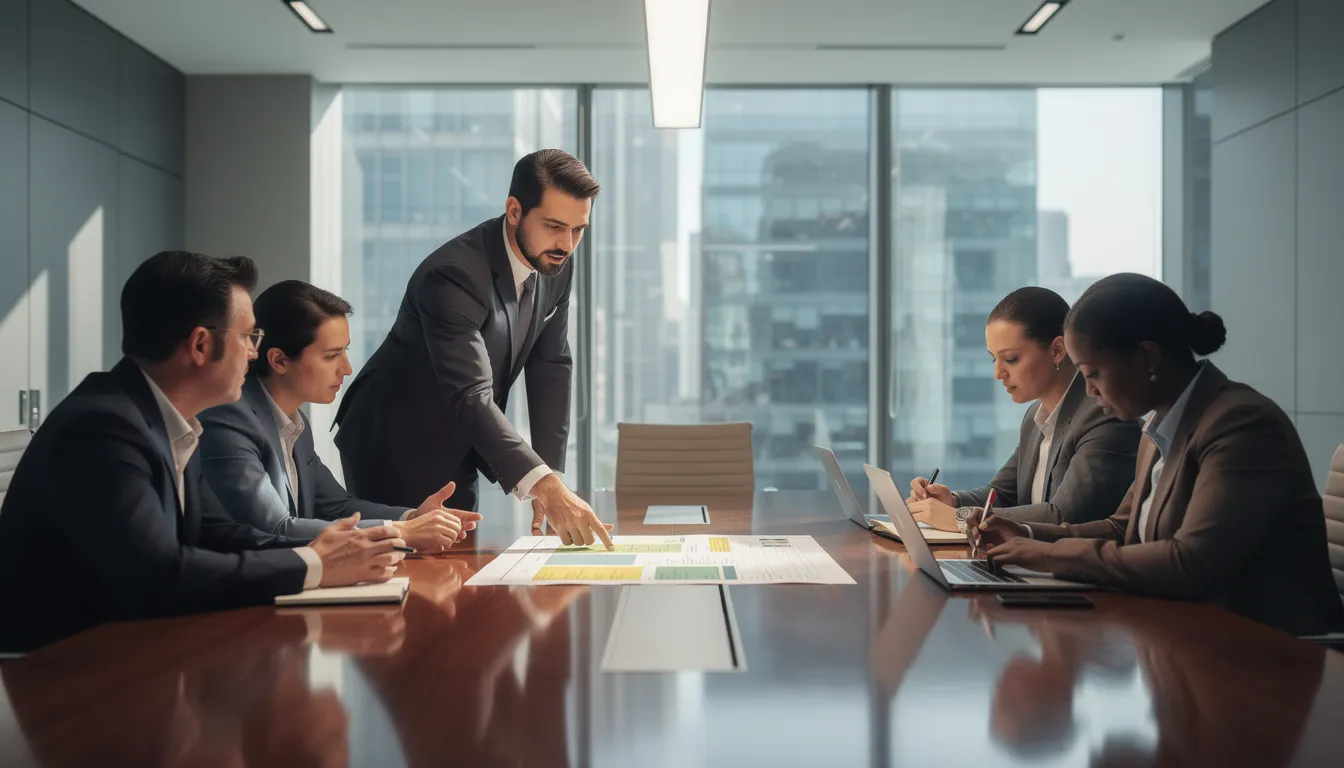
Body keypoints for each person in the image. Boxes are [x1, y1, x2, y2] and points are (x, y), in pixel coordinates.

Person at [0, 251, 407, 652]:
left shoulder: (170, 419)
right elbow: (160, 575)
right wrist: (313, 566)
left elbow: (216, 532)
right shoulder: (104, 428)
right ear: (200, 345)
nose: (254, 353)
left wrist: (326, 553)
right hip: (55, 671)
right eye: (249, 337)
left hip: (129, 648)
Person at [973, 273, 1344, 636]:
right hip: (1185, 635)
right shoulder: (1160, 427)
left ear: (1148, 358)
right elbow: (1123, 527)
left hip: (1273, 654)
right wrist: (1024, 534)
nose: (1088, 391)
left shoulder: (1241, 425)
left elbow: (1190, 562)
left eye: (1094, 373)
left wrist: (1049, 556)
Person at [334, 149, 612, 549]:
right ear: (514, 210)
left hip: (462, 435)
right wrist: (545, 488)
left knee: (458, 569)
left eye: (578, 229)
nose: (566, 244)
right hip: (397, 440)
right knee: (408, 573)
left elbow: (551, 364)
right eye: (553, 226)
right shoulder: (453, 275)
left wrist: (550, 474)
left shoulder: (556, 264)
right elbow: (471, 393)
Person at [199, 280, 482, 553]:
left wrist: (411, 518)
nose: (347, 369)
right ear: (279, 360)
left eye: (344, 351)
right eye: (331, 356)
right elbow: (275, 529)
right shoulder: (229, 421)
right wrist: (401, 533)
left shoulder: (294, 423)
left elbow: (337, 506)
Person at [907, 287, 1141, 531]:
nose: (998, 373)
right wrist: (953, 501)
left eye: (1011, 359)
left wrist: (961, 518)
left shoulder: (1104, 416)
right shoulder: (1036, 415)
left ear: (1057, 350)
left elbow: (1064, 515)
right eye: (993, 359)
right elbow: (1001, 494)